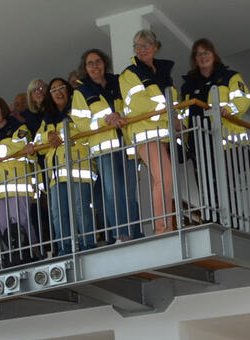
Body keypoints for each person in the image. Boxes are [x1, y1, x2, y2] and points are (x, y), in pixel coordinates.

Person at [180, 38, 250, 225]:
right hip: (199, 142)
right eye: (199, 53)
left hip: (225, 141)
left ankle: (232, 221)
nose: (203, 56)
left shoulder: (229, 76)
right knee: (205, 183)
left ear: (214, 54)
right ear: (194, 58)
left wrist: (229, 109)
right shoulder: (189, 84)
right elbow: (183, 113)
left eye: (206, 52)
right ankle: (211, 219)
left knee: (224, 182)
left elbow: (243, 99)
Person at [73, 48, 142, 242]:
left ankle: (135, 233)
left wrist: (121, 116)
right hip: (104, 148)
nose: (95, 66)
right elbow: (82, 124)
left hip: (126, 143)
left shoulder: (118, 82)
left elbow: (131, 107)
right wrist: (106, 120)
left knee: (128, 191)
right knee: (112, 192)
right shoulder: (81, 91)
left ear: (104, 64)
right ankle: (121, 233)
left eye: (98, 62)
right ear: (85, 68)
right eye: (90, 63)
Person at [120, 29, 177, 234]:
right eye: (137, 46)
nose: (141, 49)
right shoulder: (130, 73)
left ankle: (164, 226)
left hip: (162, 132)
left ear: (155, 46)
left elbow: (173, 103)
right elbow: (138, 105)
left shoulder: (162, 73)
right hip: (145, 132)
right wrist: (167, 113)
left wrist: (175, 117)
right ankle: (163, 228)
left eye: (145, 45)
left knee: (160, 180)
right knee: (165, 178)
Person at [35, 77, 95, 254]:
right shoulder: (47, 119)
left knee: (80, 209)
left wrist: (59, 134)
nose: (58, 92)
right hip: (56, 175)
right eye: (53, 90)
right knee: (58, 213)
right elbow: (37, 141)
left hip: (79, 168)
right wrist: (48, 136)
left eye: (61, 88)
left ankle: (87, 244)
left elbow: (85, 128)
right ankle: (65, 248)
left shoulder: (76, 107)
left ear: (68, 90)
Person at [0, 95, 36, 260]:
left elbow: (18, 147)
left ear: (3, 109)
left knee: (22, 223)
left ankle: (31, 254)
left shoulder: (19, 127)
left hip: (17, 185)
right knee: (3, 228)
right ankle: (12, 259)